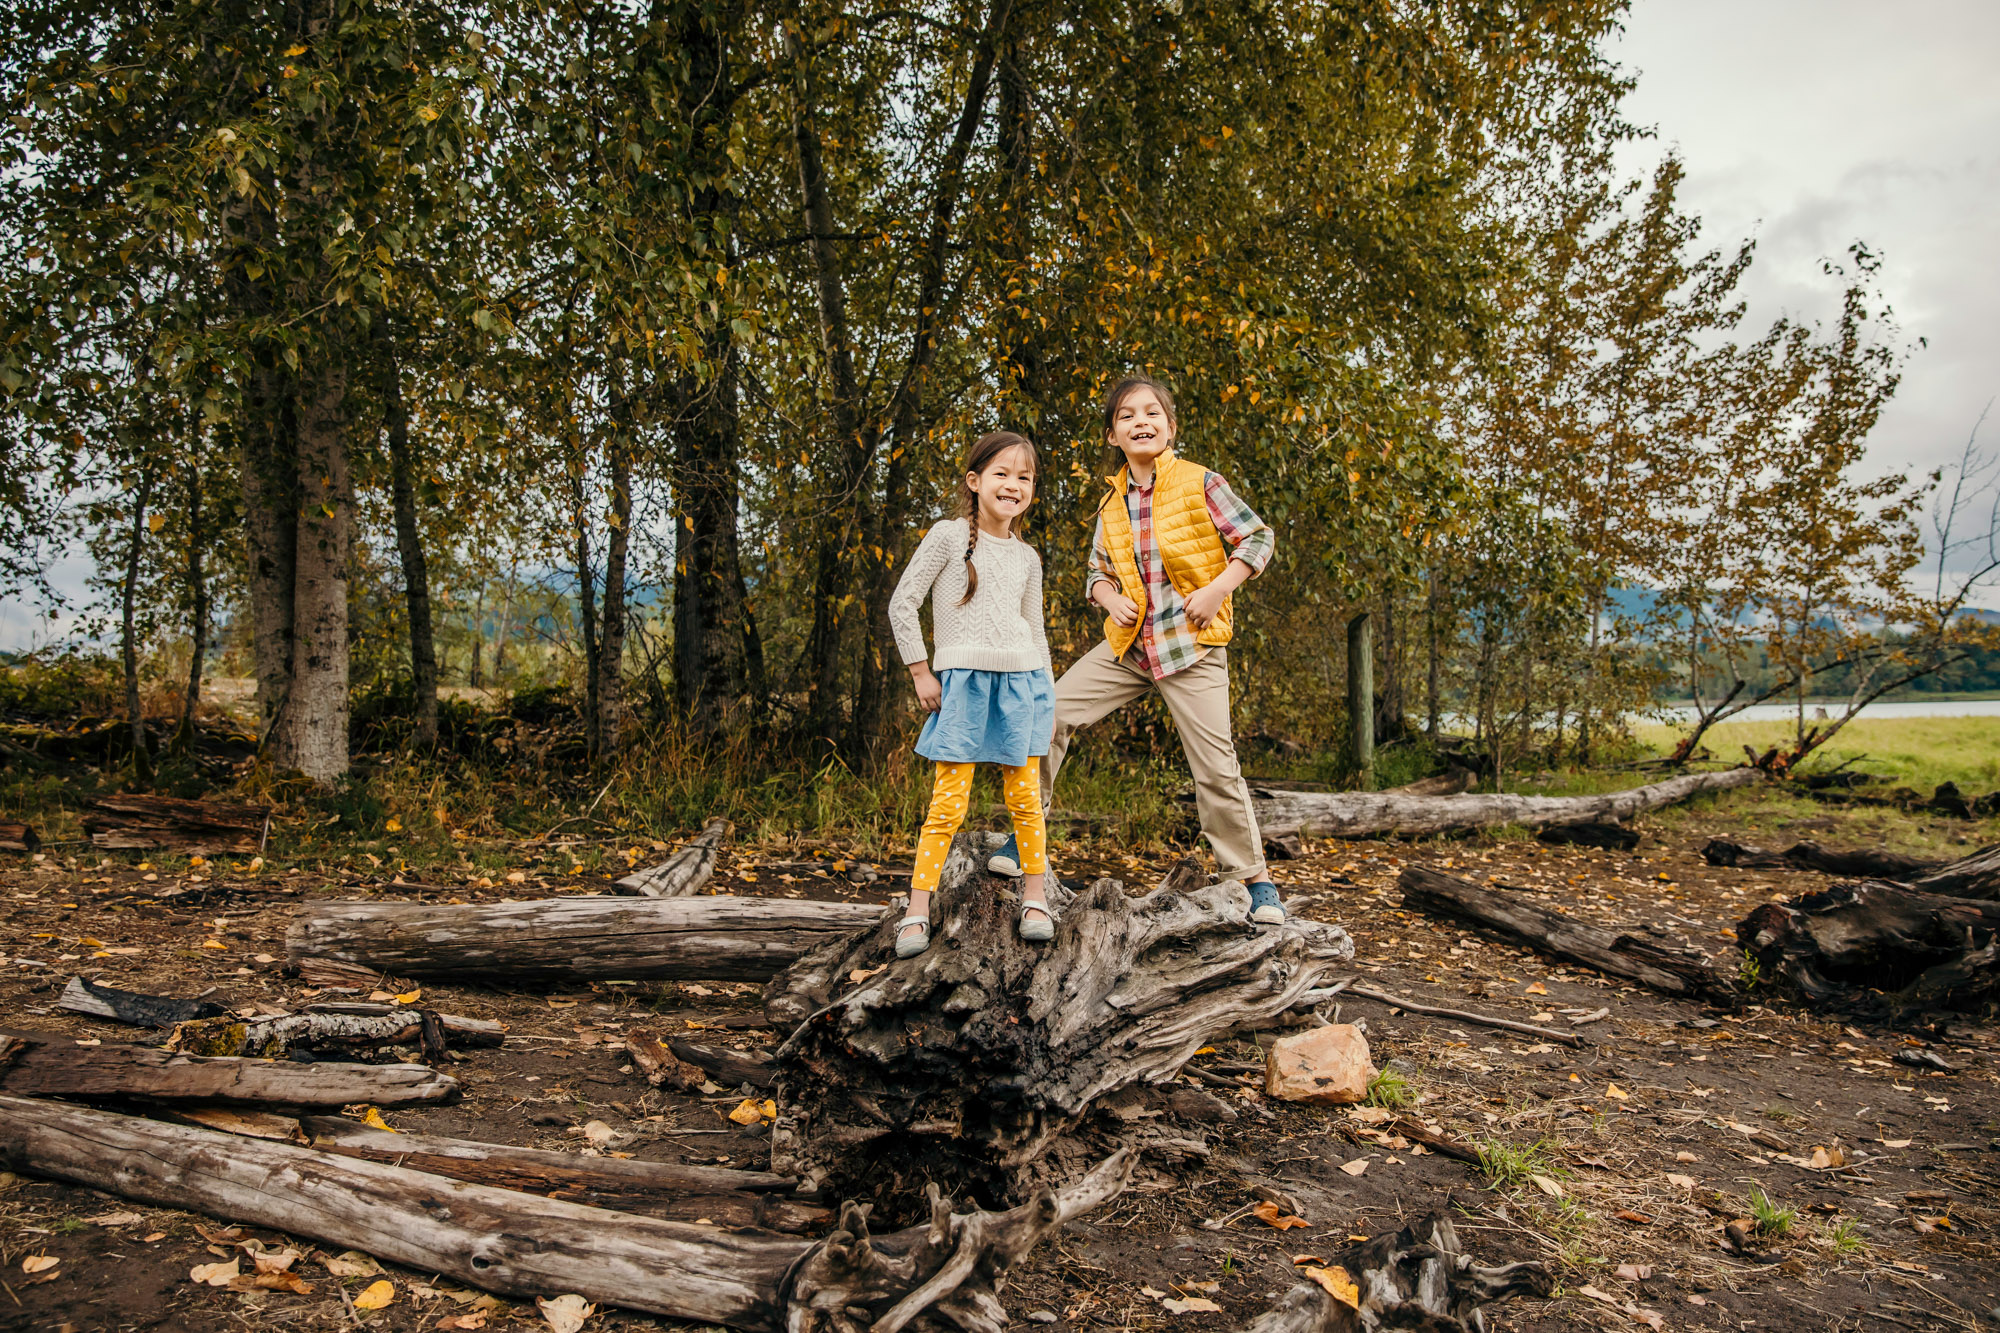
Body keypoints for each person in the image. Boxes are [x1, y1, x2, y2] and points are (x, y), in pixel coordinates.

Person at [994, 374, 1286, 922]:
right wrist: (1109, 600)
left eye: (1152, 413)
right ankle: (1024, 838)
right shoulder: (1111, 503)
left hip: (1190, 645)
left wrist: (1217, 589)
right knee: (1046, 712)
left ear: (1170, 428)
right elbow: (1097, 572)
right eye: (1127, 416)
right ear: (1113, 435)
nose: (1141, 422)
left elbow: (1258, 537)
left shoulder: (1201, 482)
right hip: (1128, 646)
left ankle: (1254, 879)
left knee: (1216, 769)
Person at [887, 430, 1055, 958]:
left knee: (1027, 803)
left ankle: (1035, 899)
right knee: (947, 805)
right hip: (962, 686)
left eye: (1024, 477)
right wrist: (920, 671)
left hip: (1022, 685)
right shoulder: (948, 536)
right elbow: (902, 603)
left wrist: (1046, 692)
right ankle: (917, 910)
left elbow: (1036, 628)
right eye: (1002, 474)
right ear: (975, 481)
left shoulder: (1028, 558)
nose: (1013, 485)